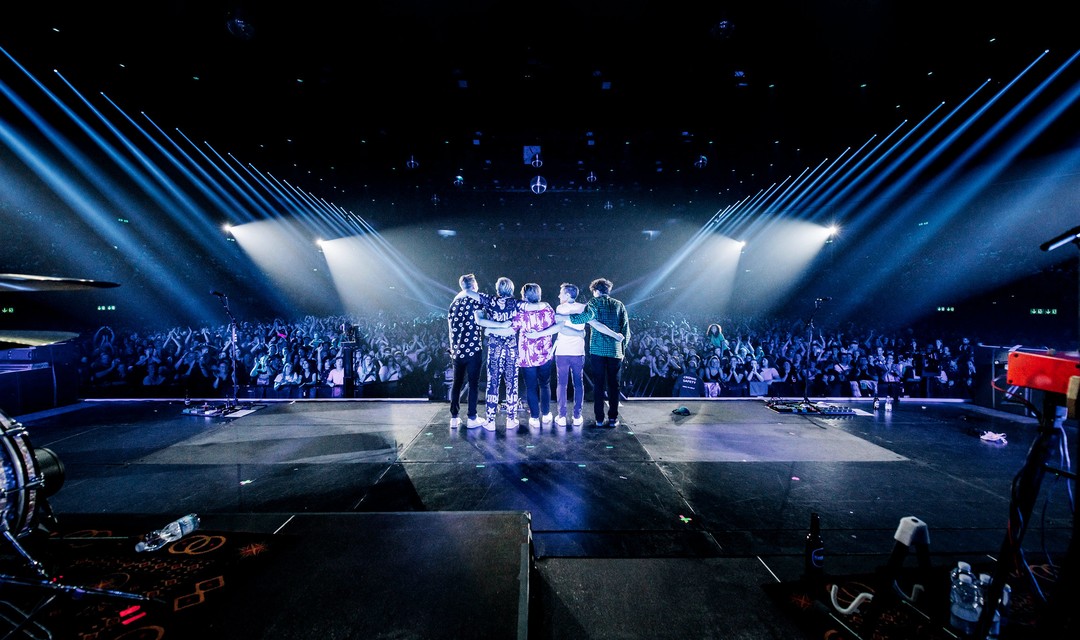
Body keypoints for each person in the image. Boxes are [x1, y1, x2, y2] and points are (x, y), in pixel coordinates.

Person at [526, 283, 624, 427]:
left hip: (563, 353)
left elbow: (561, 329)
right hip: (578, 353)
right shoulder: (584, 307)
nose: (559, 296)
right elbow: (593, 325)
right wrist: (581, 333)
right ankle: (577, 416)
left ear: (567, 295)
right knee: (578, 384)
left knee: (562, 384)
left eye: (561, 293)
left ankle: (562, 416)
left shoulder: (561, 308)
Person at [567, 278, 630, 428]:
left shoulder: (593, 303)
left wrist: (568, 317)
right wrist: (622, 348)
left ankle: (599, 419)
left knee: (599, 386)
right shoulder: (619, 305)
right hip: (615, 351)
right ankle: (613, 419)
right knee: (614, 386)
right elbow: (626, 330)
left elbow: (583, 318)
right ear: (608, 290)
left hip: (597, 351)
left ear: (595, 291)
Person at [471, 277, 521, 427]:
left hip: (494, 346)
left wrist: (491, 329)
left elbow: (469, 293)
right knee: (512, 382)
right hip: (511, 346)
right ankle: (511, 420)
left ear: (497, 288)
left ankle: (491, 420)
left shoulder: (489, 300)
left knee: (492, 382)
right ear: (511, 289)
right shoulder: (517, 303)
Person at [510, 283, 556, 428]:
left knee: (530, 387)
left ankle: (535, 418)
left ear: (524, 296)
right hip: (545, 354)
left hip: (527, 356)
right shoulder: (547, 307)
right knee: (544, 384)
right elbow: (554, 325)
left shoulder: (520, 310)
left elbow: (512, 328)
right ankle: (547, 414)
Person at [447, 273, 488, 429]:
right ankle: (472, 417)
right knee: (473, 384)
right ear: (473, 284)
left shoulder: (454, 303)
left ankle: (454, 418)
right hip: (473, 349)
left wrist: (453, 348)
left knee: (456, 383)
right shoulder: (476, 300)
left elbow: (450, 328)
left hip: (457, 351)